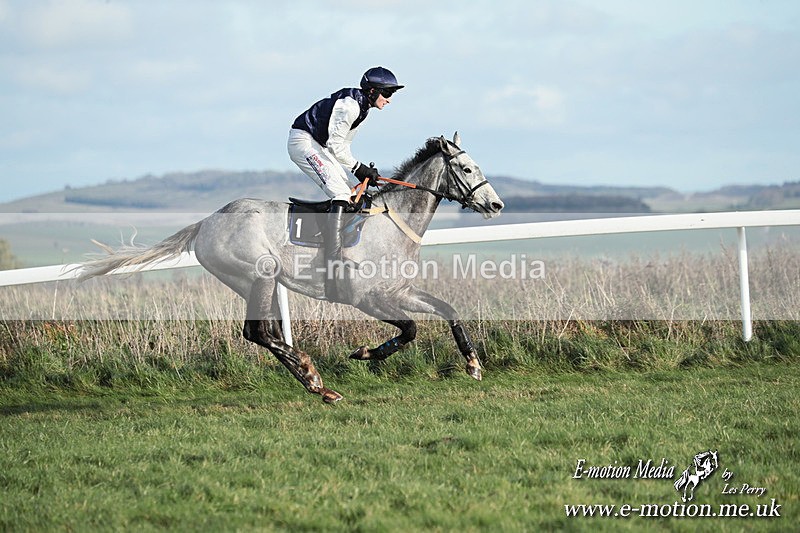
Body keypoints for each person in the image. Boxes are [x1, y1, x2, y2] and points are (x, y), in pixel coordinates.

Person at [287, 66, 404, 301]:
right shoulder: (350, 106)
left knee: (350, 193)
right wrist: (360, 168)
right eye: (387, 94)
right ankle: (333, 262)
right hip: (304, 142)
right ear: (372, 91)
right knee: (340, 192)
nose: (390, 100)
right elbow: (335, 146)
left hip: (319, 144)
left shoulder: (362, 109)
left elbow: (343, 148)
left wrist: (360, 174)